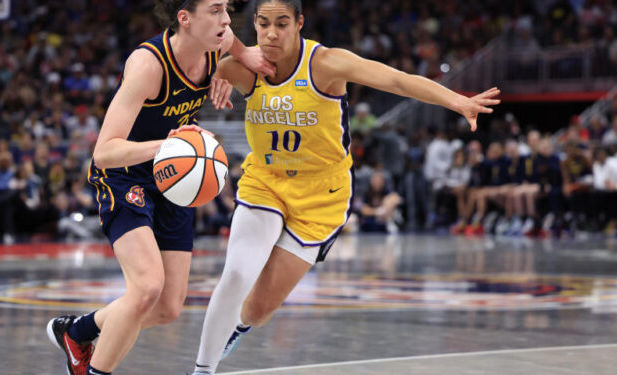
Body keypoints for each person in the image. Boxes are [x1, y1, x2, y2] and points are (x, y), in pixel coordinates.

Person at [191, 1, 500, 373]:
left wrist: (456, 100)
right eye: (263, 24)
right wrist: (219, 70)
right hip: (266, 182)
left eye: (282, 23)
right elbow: (202, 46)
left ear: (300, 23)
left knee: (258, 309)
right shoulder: (244, 68)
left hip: (322, 196)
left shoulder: (327, 64)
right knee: (237, 273)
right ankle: (202, 370)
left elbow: (396, 79)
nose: (272, 33)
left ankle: (238, 327)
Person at [44, 1, 276, 375]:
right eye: (215, 10)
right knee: (147, 287)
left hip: (172, 181)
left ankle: (78, 332)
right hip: (125, 175)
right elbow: (103, 152)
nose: (226, 19)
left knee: (166, 308)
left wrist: (237, 59)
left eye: (227, 9)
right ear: (184, 18)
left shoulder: (217, 43)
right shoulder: (148, 66)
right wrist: (173, 146)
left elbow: (234, 41)